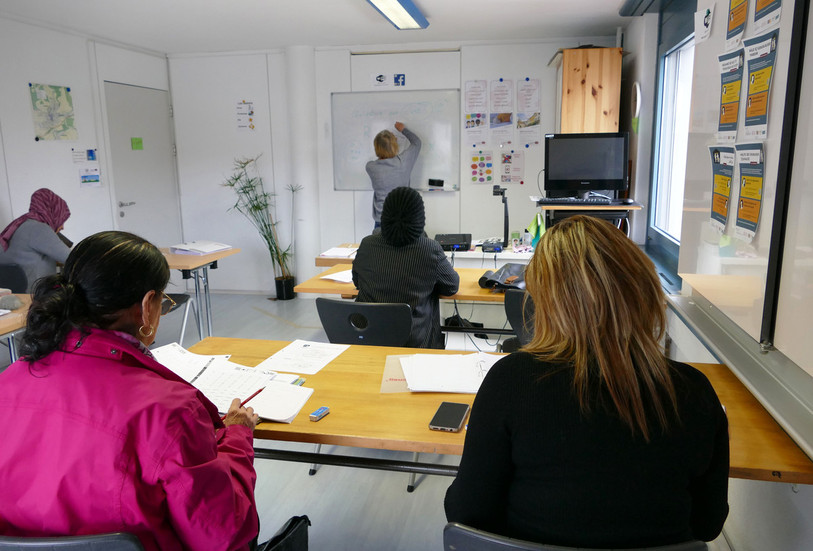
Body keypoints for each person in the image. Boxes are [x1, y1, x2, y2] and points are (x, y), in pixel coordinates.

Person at [445, 215, 729, 548]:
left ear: (546, 302)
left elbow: (467, 512)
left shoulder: (511, 381)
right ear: (642, 289)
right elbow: (707, 525)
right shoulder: (694, 391)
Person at [0, 231, 260, 551]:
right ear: (147, 305)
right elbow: (222, 533)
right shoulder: (170, 410)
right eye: (162, 302)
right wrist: (237, 436)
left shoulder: (8, 381)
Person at [352, 186, 459, 349]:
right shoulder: (430, 249)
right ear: (419, 218)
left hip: (368, 339)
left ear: (385, 216)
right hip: (415, 342)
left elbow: (358, 282)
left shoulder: (367, 244)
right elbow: (451, 287)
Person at [0, 187, 72, 292]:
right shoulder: (38, 228)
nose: (62, 227)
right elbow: (69, 258)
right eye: (61, 219)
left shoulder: (20, 223)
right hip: (33, 294)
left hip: (12, 293)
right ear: (52, 212)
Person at [365, 121, 421, 230]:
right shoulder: (403, 162)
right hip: (403, 219)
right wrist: (402, 129)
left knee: (380, 247)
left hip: (381, 221)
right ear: (395, 146)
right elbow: (417, 143)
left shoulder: (371, 167)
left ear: (376, 147)